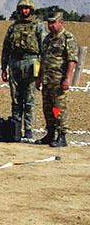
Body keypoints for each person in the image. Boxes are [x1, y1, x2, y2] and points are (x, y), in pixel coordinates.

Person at [1, 0, 47, 140]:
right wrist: (4, 68)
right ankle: (15, 129)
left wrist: (42, 71)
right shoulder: (13, 27)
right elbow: (6, 48)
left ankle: (28, 130)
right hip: (14, 63)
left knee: (29, 99)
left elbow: (44, 49)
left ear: (31, 10)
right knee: (16, 99)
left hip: (31, 62)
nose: (24, 11)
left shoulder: (38, 26)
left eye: (26, 8)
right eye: (21, 8)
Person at [36, 11, 78, 147]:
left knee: (59, 108)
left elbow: (72, 60)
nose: (50, 25)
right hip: (47, 81)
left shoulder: (68, 38)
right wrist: (39, 78)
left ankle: (62, 136)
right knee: (48, 108)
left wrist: (67, 78)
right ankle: (50, 134)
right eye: (49, 23)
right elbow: (43, 60)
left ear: (61, 23)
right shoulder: (47, 39)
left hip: (59, 81)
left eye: (53, 22)